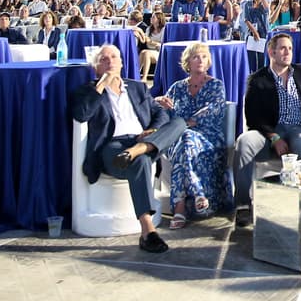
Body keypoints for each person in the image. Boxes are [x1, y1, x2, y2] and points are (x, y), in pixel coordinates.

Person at [69, 44, 186, 253]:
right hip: (113, 147)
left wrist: (152, 130)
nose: (110, 61)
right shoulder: (88, 90)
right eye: (103, 59)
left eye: (114, 57)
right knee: (140, 160)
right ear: (96, 67)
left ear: (122, 63)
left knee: (179, 122)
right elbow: (81, 114)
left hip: (141, 140)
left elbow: (159, 112)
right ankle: (148, 230)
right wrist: (101, 86)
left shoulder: (137, 87)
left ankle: (140, 149)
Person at [232, 32, 301, 226]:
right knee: (244, 143)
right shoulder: (257, 80)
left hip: (299, 128)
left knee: (300, 140)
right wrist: (273, 136)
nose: (287, 52)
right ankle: (242, 205)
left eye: (290, 49)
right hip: (269, 131)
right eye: (283, 48)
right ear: (271, 52)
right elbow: (252, 116)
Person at [153, 42, 231, 228]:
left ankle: (179, 209)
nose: (200, 60)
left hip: (208, 136)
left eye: (204, 57)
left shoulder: (216, 86)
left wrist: (185, 123)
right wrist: (158, 101)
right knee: (185, 142)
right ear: (188, 62)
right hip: (179, 137)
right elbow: (164, 113)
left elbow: (213, 111)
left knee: (185, 141)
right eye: (196, 57)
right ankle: (198, 193)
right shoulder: (177, 88)